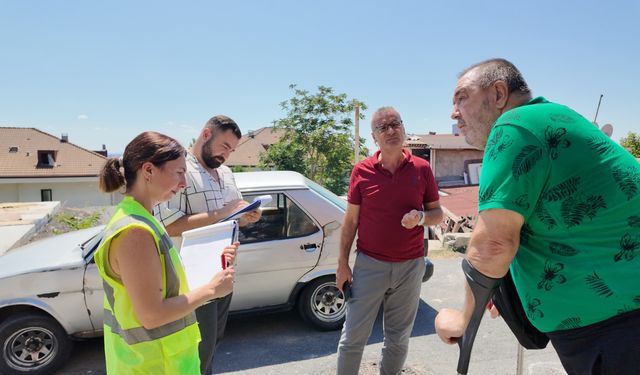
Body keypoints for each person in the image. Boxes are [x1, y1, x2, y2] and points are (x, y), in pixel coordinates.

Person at [434, 58, 640, 375]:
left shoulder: (514, 127)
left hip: (616, 333)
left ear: (499, 93)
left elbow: (493, 244)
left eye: (462, 97)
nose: (453, 112)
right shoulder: (552, 118)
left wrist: (462, 318)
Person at [96, 131, 236, 374]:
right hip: (153, 366)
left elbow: (165, 284)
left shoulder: (143, 218)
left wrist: (213, 264)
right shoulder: (135, 232)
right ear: (148, 170)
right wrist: (212, 289)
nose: (183, 183)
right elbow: (152, 315)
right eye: (179, 172)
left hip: (164, 362)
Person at [336, 107, 443, 375]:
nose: (391, 130)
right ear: (374, 137)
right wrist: (342, 265)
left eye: (395, 124)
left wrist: (420, 218)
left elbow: (437, 214)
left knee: (398, 339)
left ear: (403, 129)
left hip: (411, 266)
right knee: (352, 338)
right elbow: (350, 222)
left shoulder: (422, 168)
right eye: (383, 128)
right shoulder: (361, 171)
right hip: (370, 264)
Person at [154, 115, 261, 375]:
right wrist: (222, 213)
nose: (227, 155)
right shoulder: (181, 171)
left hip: (224, 272)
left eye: (232, 150)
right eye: (224, 146)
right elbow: (168, 225)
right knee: (198, 349)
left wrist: (248, 216)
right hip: (193, 278)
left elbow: (233, 215)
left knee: (213, 342)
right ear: (205, 134)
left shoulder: (225, 173)